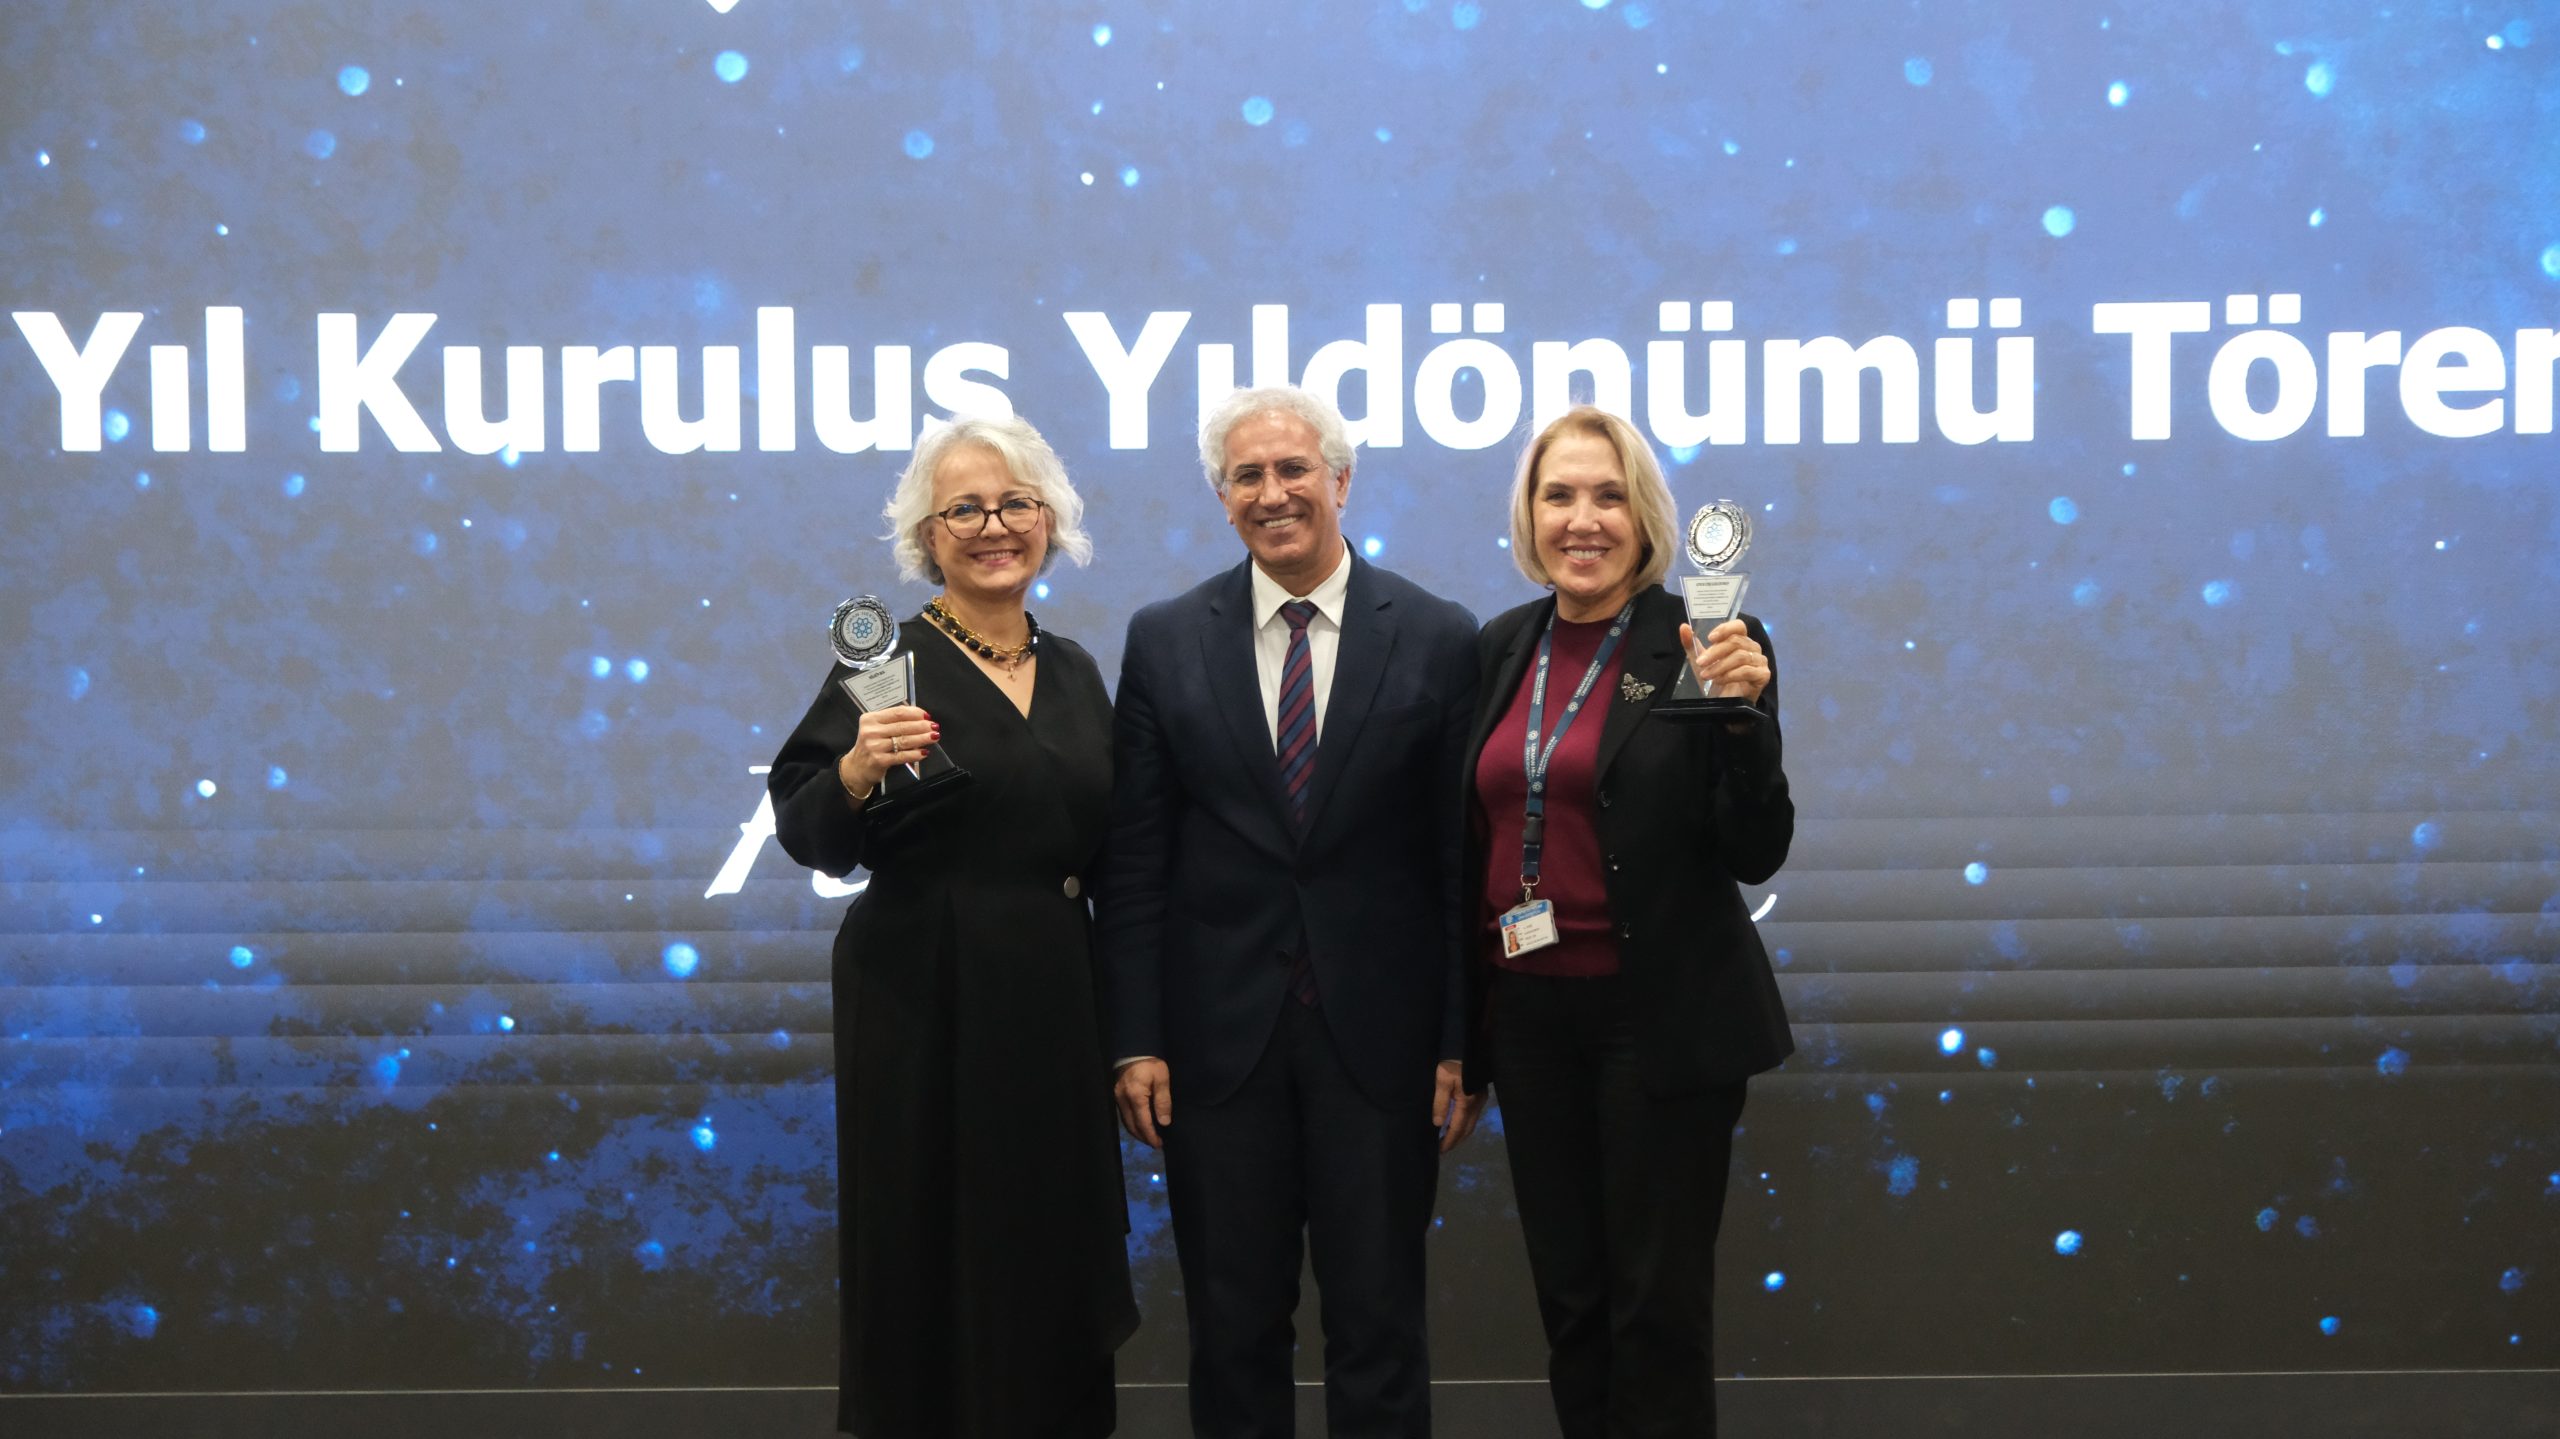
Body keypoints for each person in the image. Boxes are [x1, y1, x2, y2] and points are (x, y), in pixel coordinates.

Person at [1097, 385, 1484, 1438]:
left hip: (1383, 1046)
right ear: (1222, 497)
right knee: (1232, 1333)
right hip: (1217, 1049)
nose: (1273, 494)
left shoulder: (1440, 636)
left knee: (1380, 1329)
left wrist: (1462, 1038)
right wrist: (1135, 1037)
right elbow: (1135, 861)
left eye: (1293, 469)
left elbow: (1460, 862)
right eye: (1247, 476)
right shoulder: (1165, 639)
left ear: (1341, 480)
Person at [766, 414, 1138, 1439]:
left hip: (1055, 1002)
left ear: (1049, 520)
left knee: (1049, 1251)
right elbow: (807, 828)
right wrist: (853, 769)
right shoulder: (885, 662)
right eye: (964, 509)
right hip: (922, 1004)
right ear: (928, 536)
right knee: (930, 1249)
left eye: (1015, 503)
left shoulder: (1076, 669)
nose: (993, 526)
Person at [1462, 406, 1795, 1438]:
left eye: (1608, 495)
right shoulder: (1501, 646)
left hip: (1659, 1019)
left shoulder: (1707, 640)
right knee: (1573, 1304)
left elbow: (1755, 848)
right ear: (1529, 513)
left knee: (1655, 1311)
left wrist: (1747, 723)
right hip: (1530, 1017)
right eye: (1559, 494)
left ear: (1645, 514)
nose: (1583, 519)